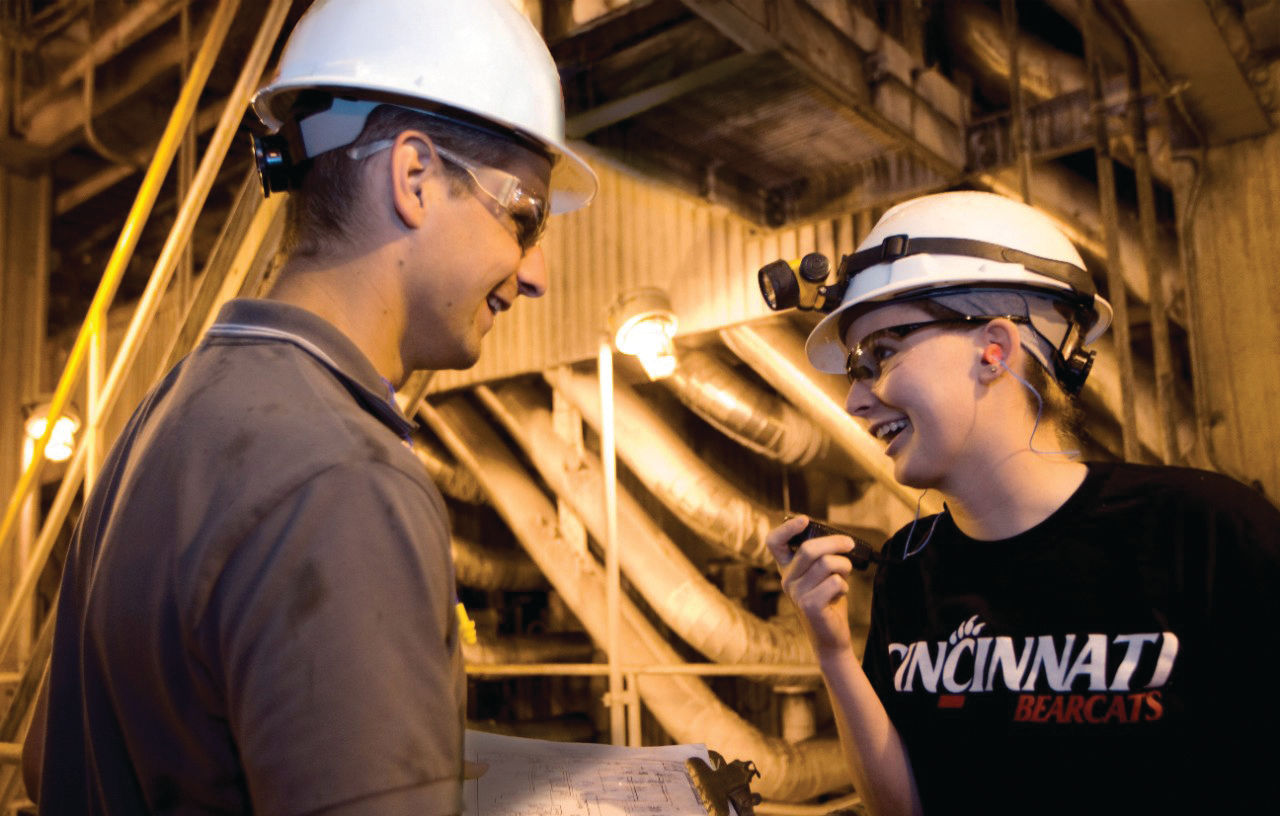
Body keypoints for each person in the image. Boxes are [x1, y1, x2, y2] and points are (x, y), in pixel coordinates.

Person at [22, 0, 596, 812]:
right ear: (415, 178)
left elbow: (50, 758)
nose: (535, 274)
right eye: (524, 217)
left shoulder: (164, 419)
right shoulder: (344, 478)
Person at [766, 190, 1280, 814]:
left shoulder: (1206, 533)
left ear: (995, 350)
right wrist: (832, 652)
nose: (855, 401)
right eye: (855, 369)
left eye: (883, 353)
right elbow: (906, 809)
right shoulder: (910, 568)